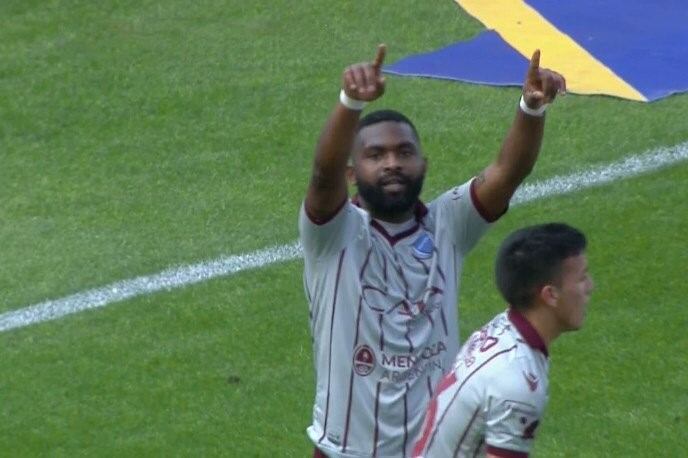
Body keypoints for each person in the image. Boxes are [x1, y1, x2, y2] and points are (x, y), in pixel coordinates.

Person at [299, 44, 566, 457]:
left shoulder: (448, 225)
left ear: (423, 165)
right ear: (351, 173)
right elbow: (322, 175)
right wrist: (351, 103)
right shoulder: (332, 235)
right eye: (375, 155)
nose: (392, 163)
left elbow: (508, 173)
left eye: (404, 153)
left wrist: (531, 109)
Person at [412, 223, 594, 457]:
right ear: (550, 294)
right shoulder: (516, 381)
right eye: (582, 278)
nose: (590, 287)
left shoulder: (504, 328)